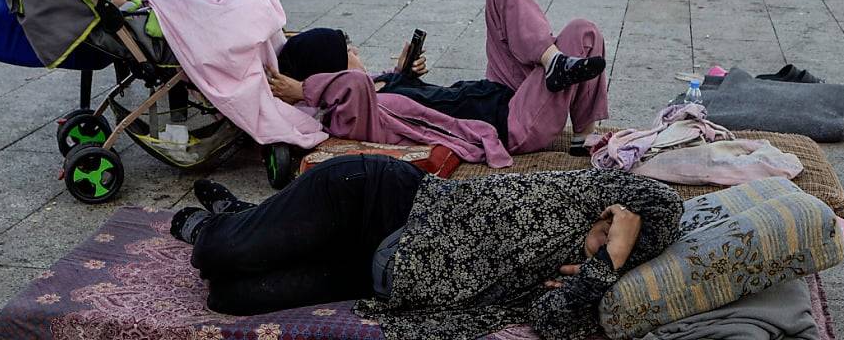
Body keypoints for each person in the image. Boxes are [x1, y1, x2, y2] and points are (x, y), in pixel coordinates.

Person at [170, 158, 683, 340]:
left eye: (615, 247)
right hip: (369, 200)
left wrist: (607, 263)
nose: (596, 246)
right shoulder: (556, 196)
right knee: (218, 256)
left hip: (368, 273)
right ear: (605, 210)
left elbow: (551, 323)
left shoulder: (592, 272)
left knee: (228, 298)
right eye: (606, 232)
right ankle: (214, 223)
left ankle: (243, 217)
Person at [271, 0, 608, 155]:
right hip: (513, 124)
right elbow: (352, 90)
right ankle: (581, 128)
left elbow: (373, 90)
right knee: (583, 32)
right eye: (347, 50)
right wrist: (303, 90)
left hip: (501, 92)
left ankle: (552, 61)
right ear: (333, 73)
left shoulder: (377, 90)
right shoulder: (349, 113)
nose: (356, 50)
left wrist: (402, 75)